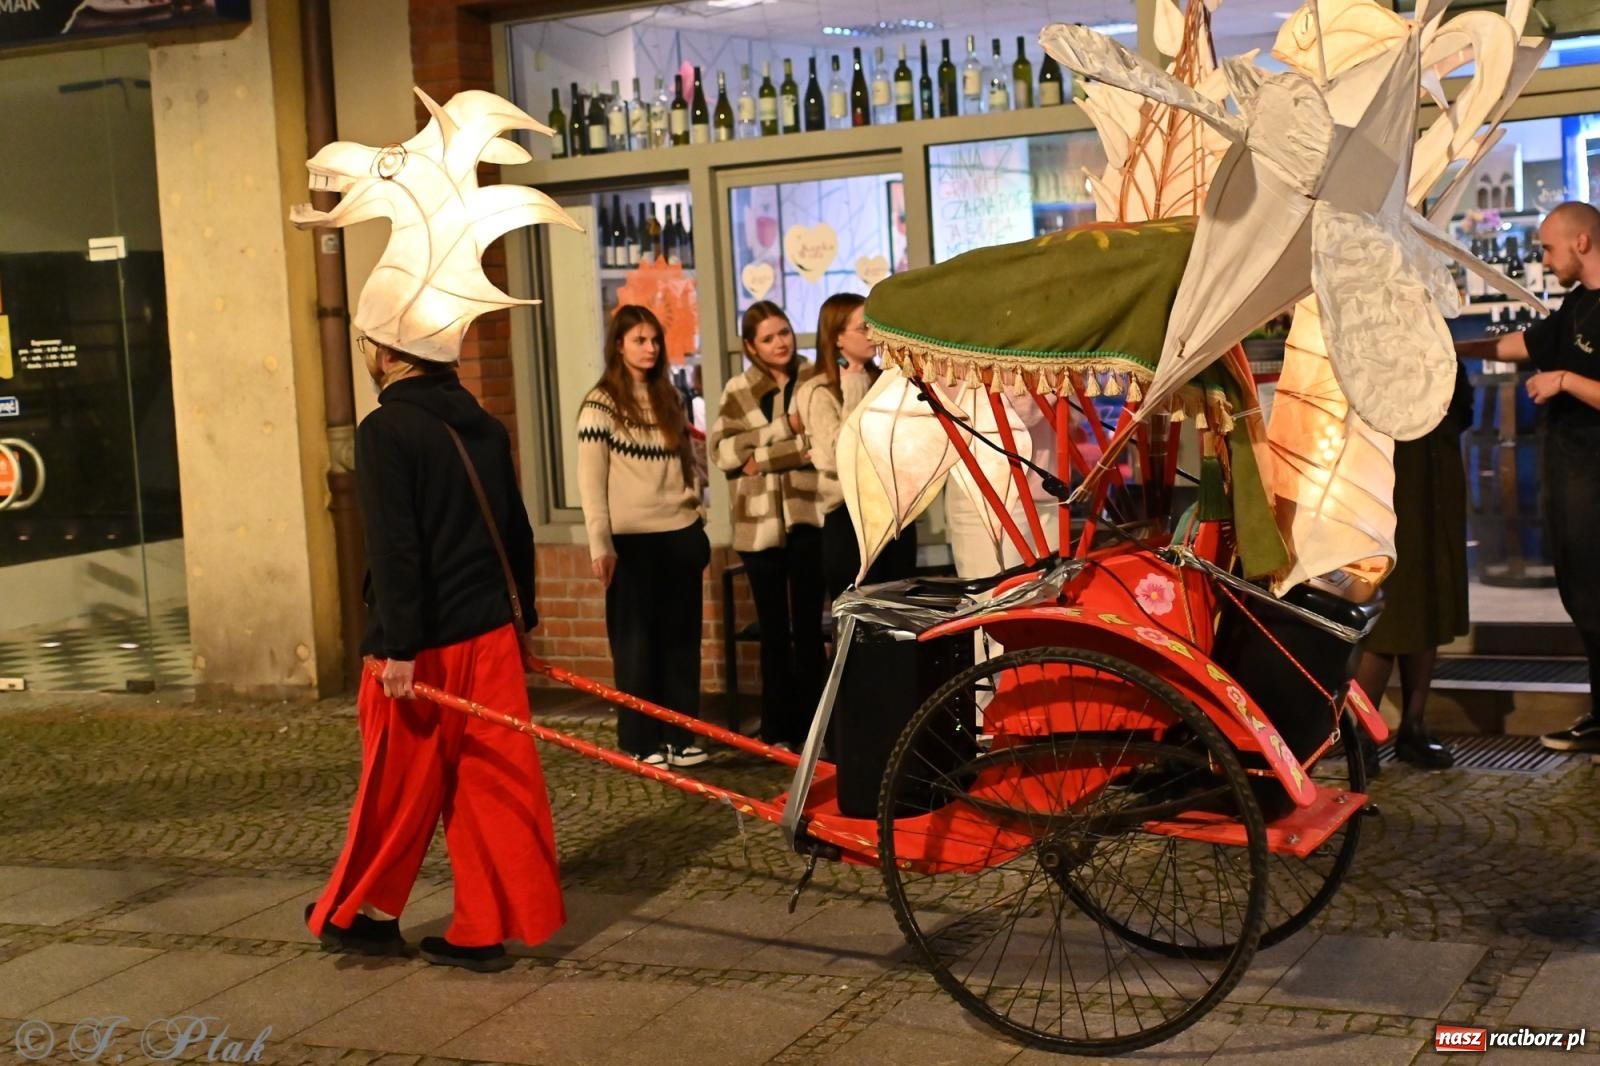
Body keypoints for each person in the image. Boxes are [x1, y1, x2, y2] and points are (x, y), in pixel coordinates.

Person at [305, 336, 564, 974]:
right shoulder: (484, 425)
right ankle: (482, 929)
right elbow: (516, 529)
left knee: (396, 785)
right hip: (489, 633)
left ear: (389, 353)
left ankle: (368, 916)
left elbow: (395, 546)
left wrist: (399, 645)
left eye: (367, 343)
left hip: (421, 645)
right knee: (489, 783)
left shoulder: (386, 430)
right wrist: (523, 621)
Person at [1456, 200, 1600, 753]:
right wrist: (1456, 348)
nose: (1543, 258)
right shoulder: (1579, 302)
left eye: (1547, 247)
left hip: (1595, 474)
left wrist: (1565, 381)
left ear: (1581, 242)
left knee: (1595, 596)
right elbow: (1527, 344)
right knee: (1581, 595)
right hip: (1569, 471)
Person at [577, 305, 711, 768]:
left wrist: (696, 512)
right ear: (618, 345)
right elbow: (591, 483)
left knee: (681, 643)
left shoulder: (669, 397)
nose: (650, 348)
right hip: (632, 543)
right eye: (639, 340)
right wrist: (600, 544)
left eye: (655, 340)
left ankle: (680, 735)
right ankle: (640, 739)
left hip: (679, 534)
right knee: (636, 645)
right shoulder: (600, 405)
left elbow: (688, 464)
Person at [710, 301, 825, 750]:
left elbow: (819, 444)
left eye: (784, 332)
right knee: (773, 633)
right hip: (757, 528)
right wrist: (782, 429)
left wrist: (762, 459)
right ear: (750, 346)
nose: (780, 343)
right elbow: (723, 453)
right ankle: (778, 731)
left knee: (809, 629)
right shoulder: (739, 389)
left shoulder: (814, 378)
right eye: (768, 338)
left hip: (809, 516)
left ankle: (816, 730)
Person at [1353, 364, 1474, 770]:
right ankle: (1363, 736)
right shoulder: (1372, 342)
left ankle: (1413, 726)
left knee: (1430, 593)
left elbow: (1462, 404)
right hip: (1388, 476)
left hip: (1436, 469)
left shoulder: (1439, 347)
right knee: (1392, 606)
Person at [796, 292, 918, 601]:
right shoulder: (816, 390)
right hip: (848, 516)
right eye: (864, 328)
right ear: (837, 337)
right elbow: (838, 456)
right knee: (859, 612)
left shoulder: (887, 380)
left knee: (899, 612)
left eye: (874, 325)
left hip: (895, 512)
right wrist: (852, 387)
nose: (872, 335)